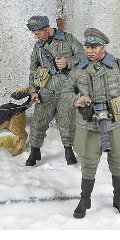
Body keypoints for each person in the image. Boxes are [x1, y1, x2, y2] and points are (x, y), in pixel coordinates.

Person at [64, 28, 120, 219]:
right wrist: (75, 100)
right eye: (87, 47)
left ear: (103, 47)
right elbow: (66, 91)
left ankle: (119, 197)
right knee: (88, 161)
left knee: (118, 160)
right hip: (88, 123)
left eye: (94, 47)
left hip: (115, 122)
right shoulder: (78, 69)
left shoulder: (117, 67)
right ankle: (85, 198)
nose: (90, 51)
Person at [25, 15, 85, 166]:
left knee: (67, 120)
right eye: (34, 34)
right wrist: (33, 90)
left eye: (38, 34)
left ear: (46, 29)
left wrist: (68, 62)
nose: (36, 37)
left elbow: (83, 57)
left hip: (66, 88)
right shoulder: (38, 47)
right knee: (38, 120)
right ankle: (34, 150)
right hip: (46, 88)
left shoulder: (67, 39)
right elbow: (34, 69)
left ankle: (68, 150)